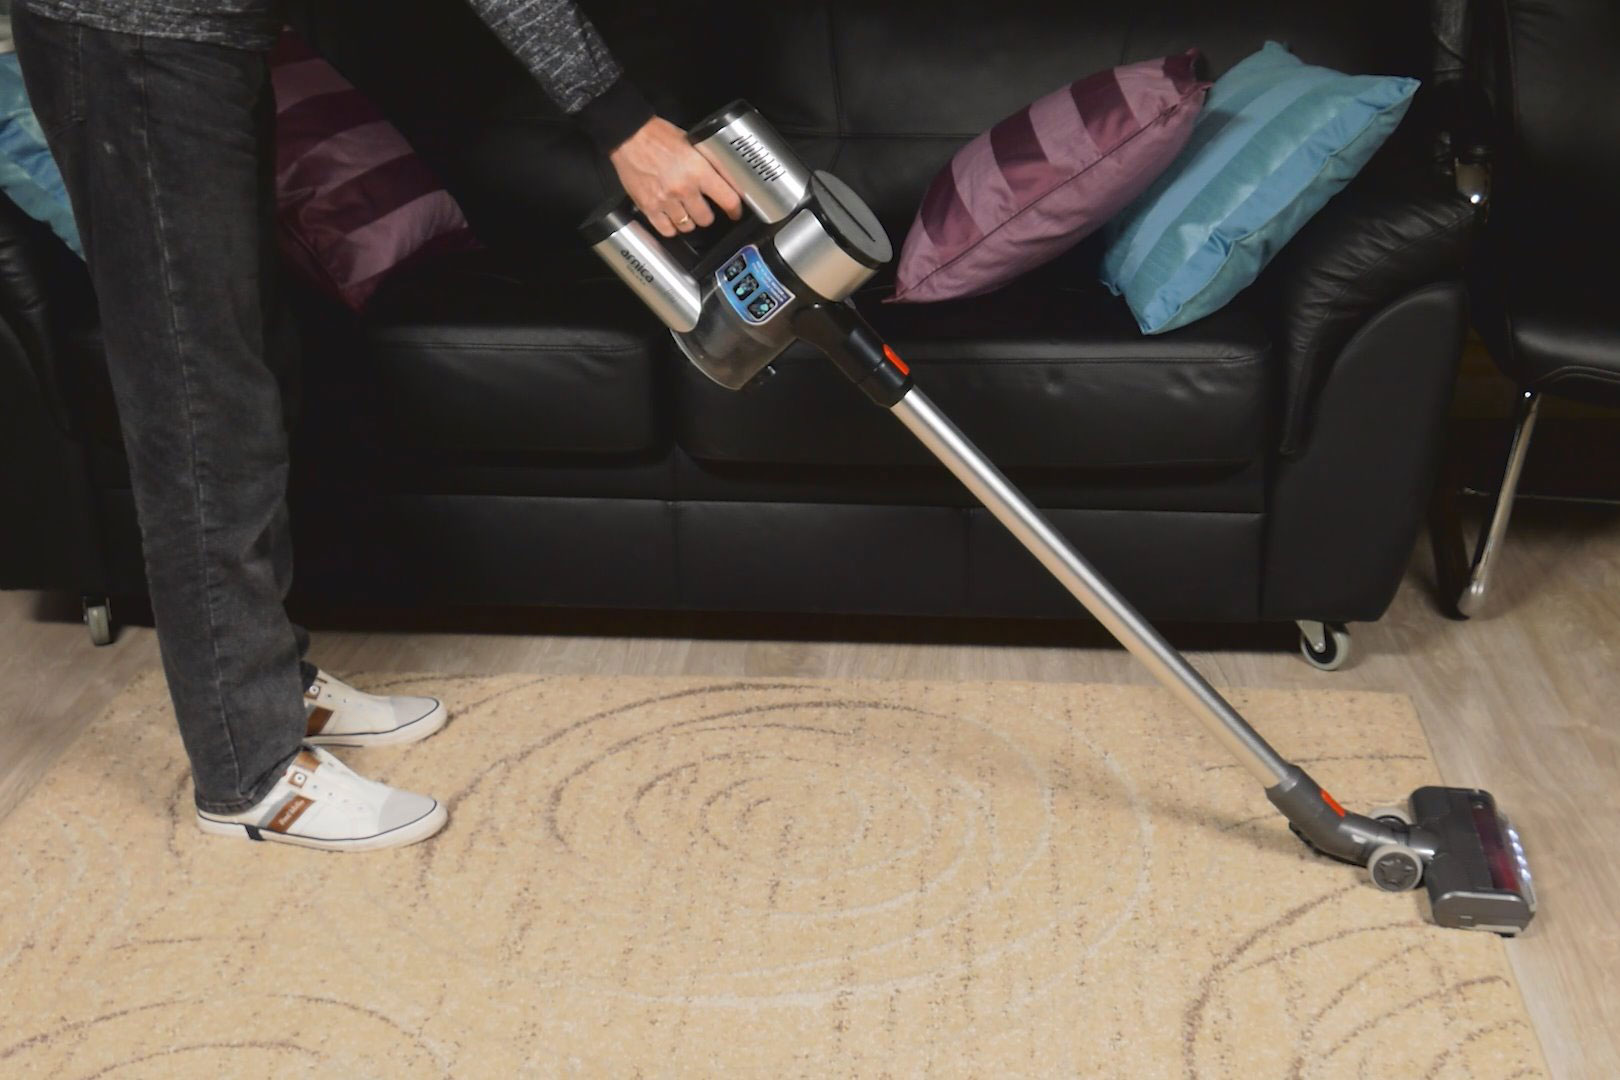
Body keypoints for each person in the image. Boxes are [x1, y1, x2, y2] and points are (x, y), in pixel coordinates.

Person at [10, 0, 744, 852]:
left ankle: (268, 682)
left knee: (258, 363)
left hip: (215, 36)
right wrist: (619, 120)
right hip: (135, 34)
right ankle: (247, 771)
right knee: (200, 397)